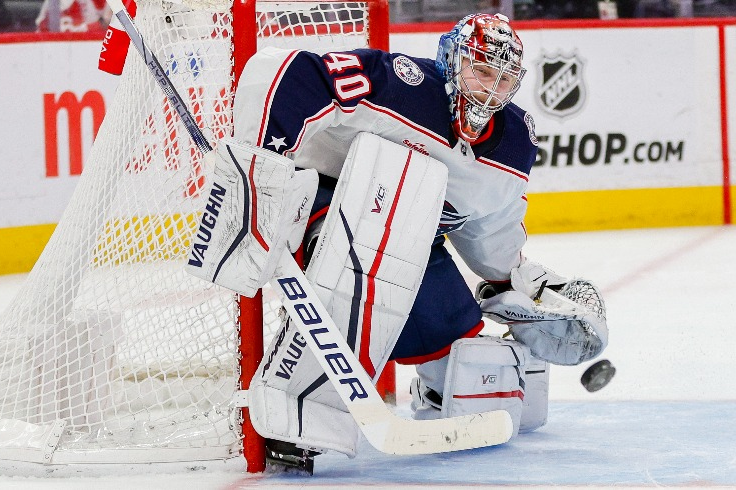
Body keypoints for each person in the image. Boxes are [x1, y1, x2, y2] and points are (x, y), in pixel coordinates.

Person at [208, 12, 608, 472]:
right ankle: (297, 404)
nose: (489, 89)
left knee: (475, 378)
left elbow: (489, 231)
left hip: (411, 243)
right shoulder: (403, 85)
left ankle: (429, 394)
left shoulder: (514, 141)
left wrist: (521, 288)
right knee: (379, 239)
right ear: (452, 61)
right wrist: (258, 172)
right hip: (323, 211)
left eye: (503, 80)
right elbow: (285, 74)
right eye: (481, 70)